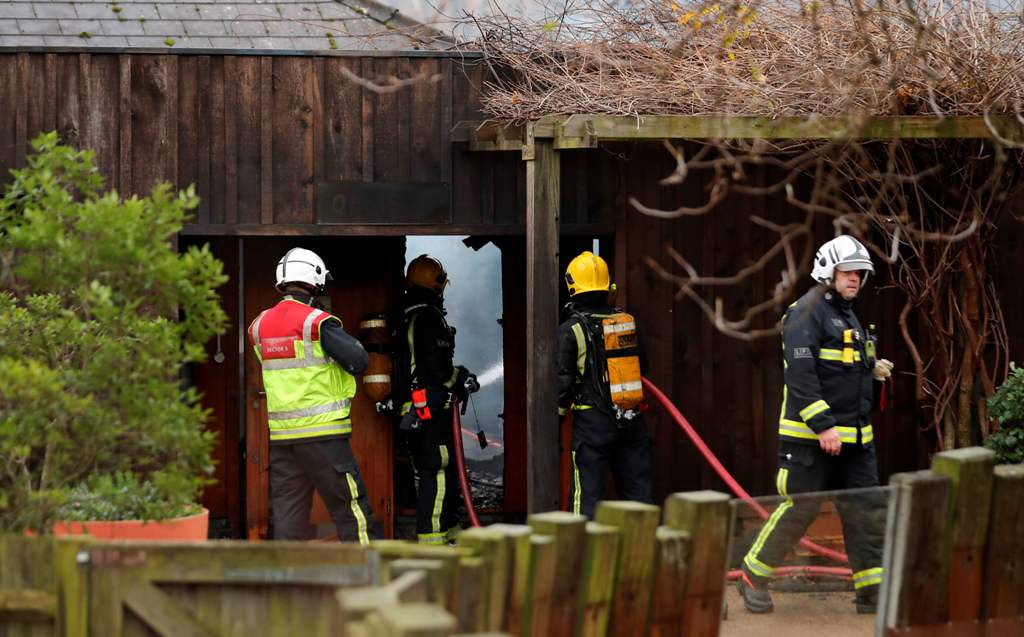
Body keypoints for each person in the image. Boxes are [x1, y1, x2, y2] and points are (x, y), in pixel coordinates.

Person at [738, 235, 893, 614]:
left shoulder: (847, 313)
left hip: (855, 440)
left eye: (860, 273)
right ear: (828, 270)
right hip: (811, 439)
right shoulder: (806, 312)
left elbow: (840, 368)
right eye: (848, 271)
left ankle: (872, 592)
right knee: (800, 510)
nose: (855, 278)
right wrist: (823, 426)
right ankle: (752, 577)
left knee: (865, 513)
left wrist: (870, 370)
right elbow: (801, 374)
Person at [247, 247, 381, 544]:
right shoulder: (317, 322)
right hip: (324, 436)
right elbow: (358, 361)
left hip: (283, 439)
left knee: (288, 518)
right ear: (316, 279)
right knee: (351, 509)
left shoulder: (258, 326)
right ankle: (367, 568)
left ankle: (287, 573)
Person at [556, 251, 653, 519]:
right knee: (638, 497)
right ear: (608, 286)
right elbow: (643, 366)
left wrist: (557, 416)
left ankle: (582, 544)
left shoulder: (571, 329)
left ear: (572, 286)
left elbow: (562, 382)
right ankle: (642, 543)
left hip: (593, 425)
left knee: (587, 498)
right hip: (632, 420)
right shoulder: (626, 322)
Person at [397, 254, 478, 544]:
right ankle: (433, 540)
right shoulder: (428, 318)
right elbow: (438, 368)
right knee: (438, 471)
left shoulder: (409, 314)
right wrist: (461, 380)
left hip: (419, 410)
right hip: (429, 410)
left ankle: (449, 528)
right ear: (437, 285)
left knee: (446, 470)